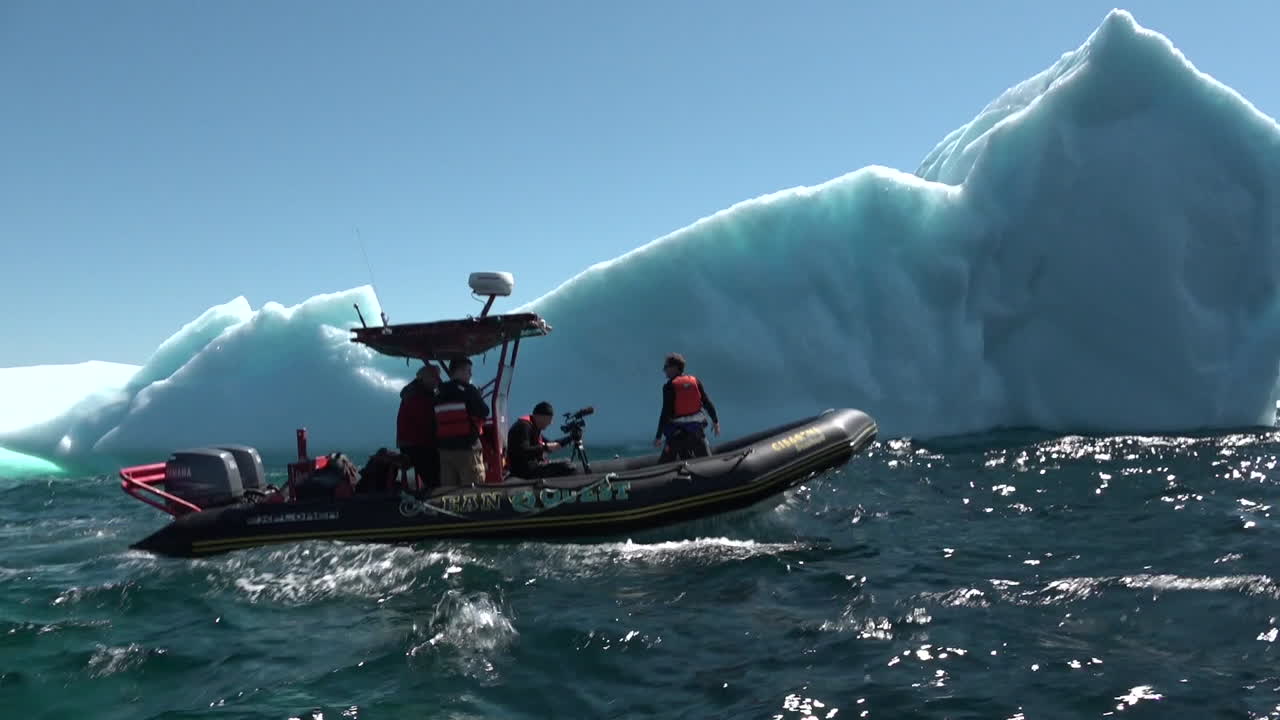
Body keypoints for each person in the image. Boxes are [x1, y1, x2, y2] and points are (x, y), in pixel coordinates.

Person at [434, 356, 490, 487]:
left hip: (445, 451)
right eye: (468, 370)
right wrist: (478, 396)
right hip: (467, 450)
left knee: (449, 491)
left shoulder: (438, 392)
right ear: (458, 371)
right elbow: (483, 412)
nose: (471, 374)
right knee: (472, 492)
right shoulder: (469, 390)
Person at [654, 352, 720, 462]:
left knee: (662, 466)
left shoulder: (669, 386)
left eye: (666, 367)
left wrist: (658, 436)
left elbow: (665, 413)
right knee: (709, 464)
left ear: (674, 368)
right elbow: (707, 402)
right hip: (697, 434)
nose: (664, 370)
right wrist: (716, 421)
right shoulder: (695, 381)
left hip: (677, 437)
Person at [396, 364, 440, 491]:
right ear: (425, 378)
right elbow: (427, 422)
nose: (437, 381)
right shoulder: (417, 395)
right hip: (415, 444)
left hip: (411, 442)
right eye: (435, 378)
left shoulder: (416, 392)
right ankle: (436, 496)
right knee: (436, 477)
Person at [507, 401, 576, 479]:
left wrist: (570, 438)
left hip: (532, 467)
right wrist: (545, 448)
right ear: (540, 417)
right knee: (567, 467)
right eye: (549, 419)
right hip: (523, 471)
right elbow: (523, 450)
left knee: (567, 462)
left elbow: (551, 443)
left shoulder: (533, 427)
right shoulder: (523, 426)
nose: (551, 423)